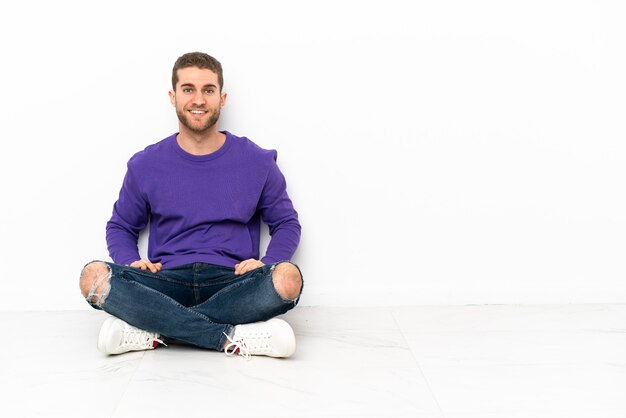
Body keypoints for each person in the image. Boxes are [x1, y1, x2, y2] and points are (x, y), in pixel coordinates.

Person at [79, 52, 303, 359]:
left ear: (222, 98)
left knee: (288, 279)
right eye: (188, 89)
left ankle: (153, 327)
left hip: (233, 282)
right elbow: (120, 225)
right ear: (173, 97)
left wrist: (269, 261)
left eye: (208, 90)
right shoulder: (146, 163)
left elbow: (286, 223)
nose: (198, 100)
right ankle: (231, 337)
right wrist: (130, 260)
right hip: (165, 280)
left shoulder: (257, 161)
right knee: (93, 277)